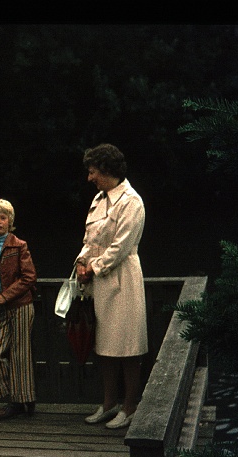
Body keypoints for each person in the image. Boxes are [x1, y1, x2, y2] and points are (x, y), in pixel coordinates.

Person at [76, 143, 148, 430]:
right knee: (104, 346)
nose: (90, 177)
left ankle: (130, 406)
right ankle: (109, 404)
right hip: (99, 283)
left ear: (107, 170)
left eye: (93, 171)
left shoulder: (131, 201)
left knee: (128, 347)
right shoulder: (99, 199)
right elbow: (90, 239)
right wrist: (81, 263)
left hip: (123, 280)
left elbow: (121, 246)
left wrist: (93, 267)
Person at [0, 198, 38, 421]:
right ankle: (17, 395)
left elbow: (29, 277)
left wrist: (6, 295)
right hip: (1, 308)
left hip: (21, 304)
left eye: (2, 218)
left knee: (20, 354)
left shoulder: (19, 245)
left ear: (10, 221)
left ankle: (20, 402)